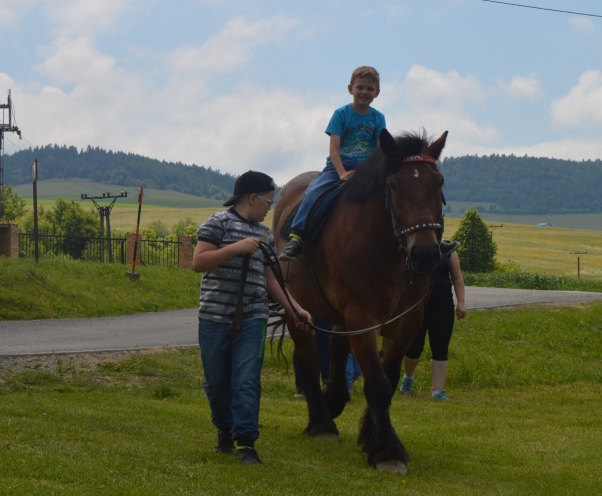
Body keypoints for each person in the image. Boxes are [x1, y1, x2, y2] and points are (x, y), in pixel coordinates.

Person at [192, 170, 313, 466]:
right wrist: (236, 248)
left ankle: (246, 443)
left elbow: (272, 280)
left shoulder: (263, 235)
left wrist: (294, 308)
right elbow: (198, 262)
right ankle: (224, 429)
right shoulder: (218, 222)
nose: (270, 208)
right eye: (269, 202)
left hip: (253, 318)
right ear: (253, 198)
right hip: (214, 317)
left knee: (247, 380)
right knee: (217, 383)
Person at [279, 66, 386, 261]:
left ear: (377, 93)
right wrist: (342, 173)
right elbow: (334, 150)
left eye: (370, 89)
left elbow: (380, 149)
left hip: (367, 168)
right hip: (339, 165)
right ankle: (297, 236)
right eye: (360, 87)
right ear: (350, 89)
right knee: (313, 191)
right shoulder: (341, 114)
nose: (364, 92)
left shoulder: (378, 118)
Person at [399, 245, 466, 401]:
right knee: (414, 347)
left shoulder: (449, 251)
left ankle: (437, 391)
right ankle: (408, 378)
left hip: (443, 305)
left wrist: (461, 302)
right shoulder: (414, 247)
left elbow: (457, 277)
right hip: (417, 305)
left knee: (441, 347)